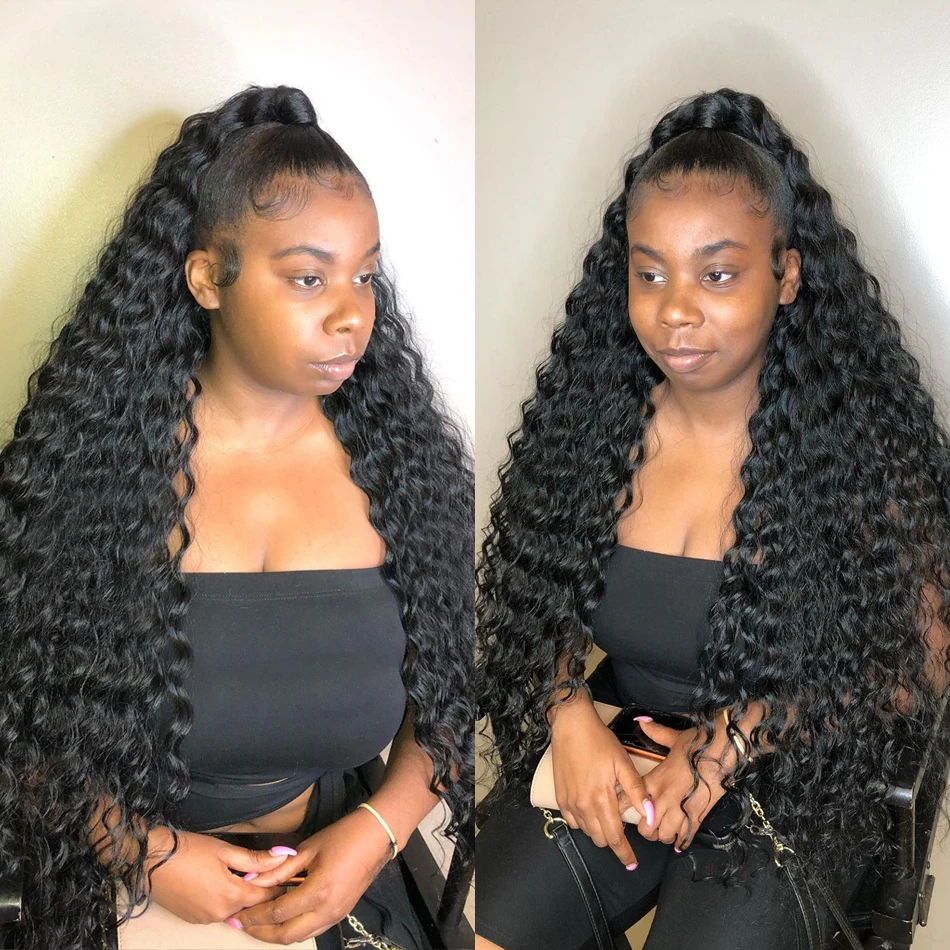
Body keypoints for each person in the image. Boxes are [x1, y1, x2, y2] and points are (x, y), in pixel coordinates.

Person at [474, 87, 950, 950]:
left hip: (800, 763)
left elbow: (923, 660)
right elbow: (528, 596)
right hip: (630, 736)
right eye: (649, 273)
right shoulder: (594, 426)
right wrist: (567, 713)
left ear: (787, 275)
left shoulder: (858, 445)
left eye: (717, 274)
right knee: (489, 922)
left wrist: (730, 741)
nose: (675, 309)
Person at [0, 84, 473, 950]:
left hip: (332, 873)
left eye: (365, 274)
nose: (352, 314)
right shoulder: (90, 471)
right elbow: (16, 715)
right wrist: (136, 847)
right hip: (105, 889)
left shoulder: (408, 473)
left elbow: (448, 689)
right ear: (207, 279)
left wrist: (375, 835)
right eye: (308, 277)